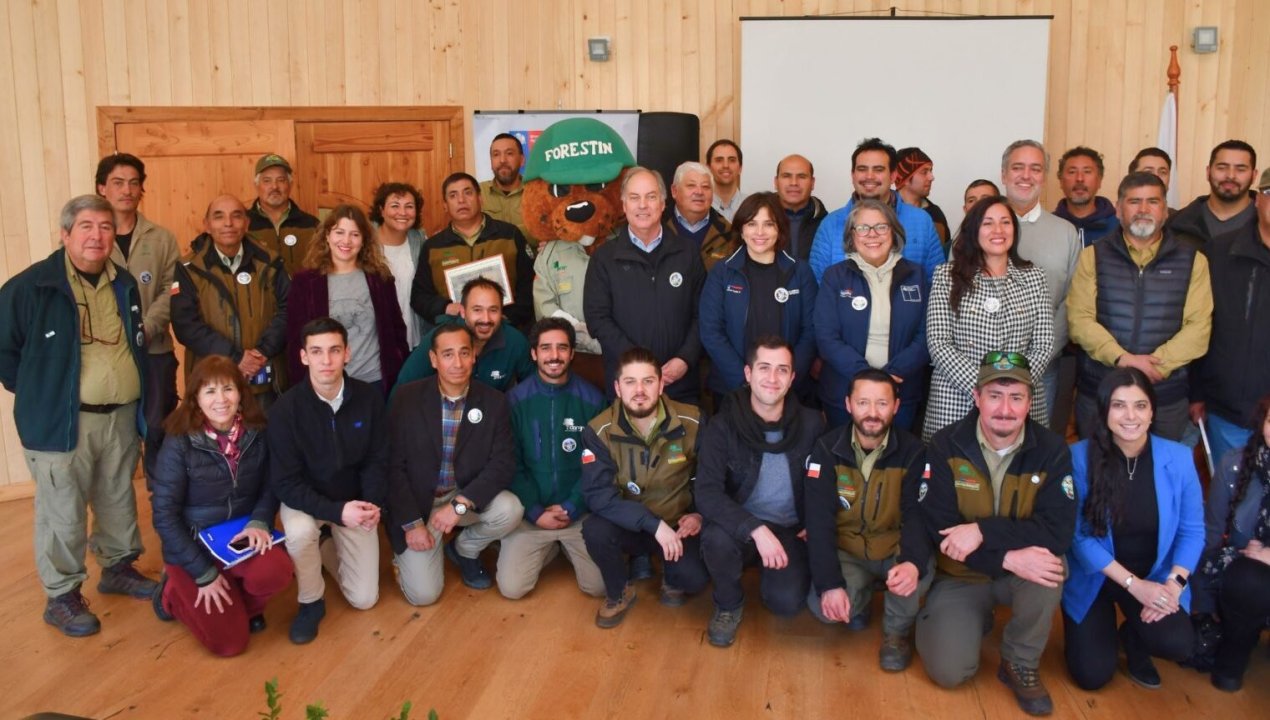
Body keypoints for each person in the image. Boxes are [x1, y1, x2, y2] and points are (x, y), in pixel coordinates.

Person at [0, 195, 157, 637]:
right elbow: (4, 352)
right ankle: (62, 595)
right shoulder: (31, 287)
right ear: (65, 234)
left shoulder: (123, 282)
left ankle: (118, 567)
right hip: (60, 421)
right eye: (86, 226)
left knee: (116, 494)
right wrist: (39, 390)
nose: (97, 235)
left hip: (120, 416)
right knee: (62, 509)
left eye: (105, 227)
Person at [915, 352, 1076, 716]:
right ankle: (965, 620)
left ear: (1030, 402)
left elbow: (1058, 531)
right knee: (949, 671)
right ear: (976, 398)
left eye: (1016, 397)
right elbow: (939, 527)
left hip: (1020, 573)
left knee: (1051, 567)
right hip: (961, 574)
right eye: (995, 396)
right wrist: (1003, 554)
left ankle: (1020, 659)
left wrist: (983, 530)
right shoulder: (945, 445)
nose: (1005, 409)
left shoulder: (1051, 450)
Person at [1061, 368, 1203, 690]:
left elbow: (1192, 531)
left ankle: (1133, 637)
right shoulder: (1078, 458)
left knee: (1179, 643)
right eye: (1119, 405)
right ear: (1104, 410)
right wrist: (1133, 586)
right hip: (1098, 576)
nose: (1130, 416)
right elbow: (1079, 537)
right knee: (1092, 675)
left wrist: (1173, 585)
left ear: (1152, 411)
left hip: (1155, 576)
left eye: (1140, 405)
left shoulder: (1179, 459)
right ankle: (1102, 631)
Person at [150, 355, 294, 657]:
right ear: (195, 398)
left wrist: (259, 521)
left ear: (241, 392)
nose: (221, 400)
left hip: (238, 537)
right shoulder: (178, 441)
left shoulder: (258, 430)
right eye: (210, 391)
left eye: (228, 389)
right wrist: (203, 573)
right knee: (230, 644)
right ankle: (172, 595)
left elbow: (271, 485)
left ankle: (240, 606)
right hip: (193, 546)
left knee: (278, 570)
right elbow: (164, 515)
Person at [696, 338, 824, 647]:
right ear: (748, 373)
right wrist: (754, 528)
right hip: (740, 523)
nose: (772, 378)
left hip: (789, 530)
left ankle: (769, 574)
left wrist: (815, 522)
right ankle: (728, 604)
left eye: (782, 370)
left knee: (786, 603)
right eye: (764, 368)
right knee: (715, 539)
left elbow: (824, 482)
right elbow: (707, 492)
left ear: (793, 378)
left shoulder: (811, 423)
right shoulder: (722, 425)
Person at [268, 318, 388, 643]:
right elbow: (286, 483)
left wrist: (372, 502)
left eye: (334, 350)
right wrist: (336, 513)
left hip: (353, 502)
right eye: (317, 352)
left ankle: (326, 546)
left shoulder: (368, 398)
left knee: (364, 600)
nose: (326, 360)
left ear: (347, 353)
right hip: (305, 501)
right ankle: (311, 601)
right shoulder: (284, 410)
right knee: (299, 532)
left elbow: (378, 459)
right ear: (303, 356)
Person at [1068, 172, 1211, 442]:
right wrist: (1123, 359)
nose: (1143, 209)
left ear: (1166, 210)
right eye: (1134, 201)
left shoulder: (1194, 261)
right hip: (1101, 393)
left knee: (1158, 480)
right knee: (1096, 477)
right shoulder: (1092, 256)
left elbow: (1199, 327)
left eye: (1152, 201)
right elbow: (1079, 320)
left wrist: (1155, 367)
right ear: (1119, 209)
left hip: (1165, 397)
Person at [386, 323, 522, 605]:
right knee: (424, 596)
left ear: (474, 356)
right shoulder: (406, 398)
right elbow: (391, 467)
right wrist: (412, 525)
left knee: (510, 509)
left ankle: (463, 547)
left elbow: (503, 463)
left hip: (460, 499)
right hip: (418, 504)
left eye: (464, 353)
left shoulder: (494, 402)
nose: (457, 363)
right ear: (434, 360)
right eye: (448, 354)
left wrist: (459, 504)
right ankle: (407, 553)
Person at [804, 369, 931, 671]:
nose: (872, 413)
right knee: (821, 608)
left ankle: (896, 632)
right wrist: (830, 584)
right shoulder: (826, 448)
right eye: (863, 403)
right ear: (848, 404)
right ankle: (856, 599)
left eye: (882, 404)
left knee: (919, 570)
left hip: (895, 548)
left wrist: (912, 561)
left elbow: (918, 516)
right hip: (849, 550)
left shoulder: (914, 452)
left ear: (896, 407)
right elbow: (818, 521)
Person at [580, 347, 709, 627]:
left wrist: (699, 513)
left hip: (677, 524)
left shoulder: (694, 421)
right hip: (631, 525)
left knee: (695, 580)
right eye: (630, 382)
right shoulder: (598, 431)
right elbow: (598, 496)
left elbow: (709, 478)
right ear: (617, 387)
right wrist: (652, 525)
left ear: (662, 384)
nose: (639, 390)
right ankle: (619, 591)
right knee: (594, 529)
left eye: (648, 381)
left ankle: (671, 574)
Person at [923, 197, 1053, 442]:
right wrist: (983, 389)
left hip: (1018, 401)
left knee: (1019, 474)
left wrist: (1013, 390)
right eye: (988, 223)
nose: (998, 230)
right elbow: (939, 343)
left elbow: (1044, 344)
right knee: (952, 474)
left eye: (1005, 222)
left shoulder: (1034, 277)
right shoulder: (947, 276)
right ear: (974, 231)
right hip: (957, 398)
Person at [497, 318, 607, 600]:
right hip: (532, 515)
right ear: (534, 354)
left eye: (562, 348)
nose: (554, 356)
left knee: (598, 587)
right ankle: (547, 547)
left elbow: (598, 464)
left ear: (572, 353)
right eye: (546, 348)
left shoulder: (594, 401)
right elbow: (511, 463)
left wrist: (573, 505)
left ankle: (564, 545)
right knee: (512, 589)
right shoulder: (514, 401)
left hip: (579, 514)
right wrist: (535, 512)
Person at [584, 167, 706, 404]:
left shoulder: (687, 253)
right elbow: (597, 319)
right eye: (634, 198)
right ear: (623, 205)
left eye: (651, 197)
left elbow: (704, 314)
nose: (643, 205)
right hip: (628, 384)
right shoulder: (604, 258)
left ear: (662, 203)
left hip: (680, 382)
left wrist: (685, 359)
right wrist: (639, 367)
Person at [95, 153, 181, 488]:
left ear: (142, 189)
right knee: (116, 434)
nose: (126, 190)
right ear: (103, 188)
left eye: (134, 182)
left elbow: (171, 289)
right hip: (108, 355)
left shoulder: (161, 238)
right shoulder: (91, 238)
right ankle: (115, 518)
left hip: (155, 350)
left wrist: (146, 327)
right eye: (118, 182)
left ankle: (163, 504)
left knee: (159, 428)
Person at [815, 199, 929, 430]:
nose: (872, 234)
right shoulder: (834, 276)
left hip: (901, 392)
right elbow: (826, 336)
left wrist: (893, 373)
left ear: (894, 231)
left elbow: (927, 334)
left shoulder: (916, 275)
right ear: (852, 236)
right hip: (844, 392)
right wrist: (865, 375)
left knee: (897, 461)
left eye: (881, 227)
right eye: (863, 228)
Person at [171, 195, 289, 408]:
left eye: (236, 216)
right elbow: (185, 325)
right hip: (212, 387)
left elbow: (289, 309)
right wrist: (236, 358)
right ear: (207, 225)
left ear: (247, 223)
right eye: (219, 217)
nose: (228, 223)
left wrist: (261, 353)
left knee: (266, 440)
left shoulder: (270, 261)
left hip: (264, 384)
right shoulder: (188, 268)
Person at [699, 192, 817, 402]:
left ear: (779, 228)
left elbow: (811, 332)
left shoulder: (800, 272)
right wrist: (745, 380)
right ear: (741, 230)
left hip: (789, 392)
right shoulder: (722, 272)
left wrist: (785, 379)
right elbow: (711, 331)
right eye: (752, 224)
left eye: (769, 224)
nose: (760, 232)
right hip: (732, 389)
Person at [1000, 140, 1081, 434]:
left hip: (1041, 368)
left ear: (1045, 177)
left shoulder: (1065, 233)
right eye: (1017, 168)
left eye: (1035, 169)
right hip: (981, 368)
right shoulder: (975, 226)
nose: (1026, 176)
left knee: (1030, 450)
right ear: (1003, 174)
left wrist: (1038, 355)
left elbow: (1072, 300)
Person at [285, 204, 409, 393]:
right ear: (327, 236)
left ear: (364, 240)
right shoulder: (305, 282)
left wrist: (398, 371)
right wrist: (301, 388)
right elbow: (295, 339)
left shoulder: (380, 279)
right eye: (339, 232)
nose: (346, 241)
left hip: (375, 383)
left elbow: (397, 331)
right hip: (325, 385)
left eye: (355, 234)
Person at [1191, 169, 1270, 462]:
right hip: (1227, 412)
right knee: (1230, 501)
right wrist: (1196, 392)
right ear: (1256, 199)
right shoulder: (1219, 251)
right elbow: (1200, 324)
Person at [1195, 393, 1270, 692]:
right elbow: (1212, 533)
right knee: (1247, 577)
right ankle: (1232, 656)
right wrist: (1202, 606)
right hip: (1245, 574)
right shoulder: (1235, 464)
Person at [809, 137, 944, 284]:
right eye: (862, 169)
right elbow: (816, 285)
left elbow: (937, 284)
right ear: (852, 175)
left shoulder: (922, 221)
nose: (869, 176)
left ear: (893, 175)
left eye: (878, 169)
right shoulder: (830, 225)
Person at [411, 171, 535, 330]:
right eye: (453, 195)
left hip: (507, 330)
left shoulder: (510, 235)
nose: (461, 200)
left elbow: (529, 286)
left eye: (467, 193)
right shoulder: (433, 246)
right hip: (454, 336)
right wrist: (446, 308)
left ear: (480, 198)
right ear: (445, 205)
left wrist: (508, 317)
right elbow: (419, 297)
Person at [395, 277, 533, 393]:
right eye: (477, 310)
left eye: (493, 310)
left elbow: (535, 385)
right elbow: (403, 388)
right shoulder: (440, 338)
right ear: (462, 311)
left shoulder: (515, 341)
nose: (486, 319)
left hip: (493, 418)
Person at [370, 181, 428, 348]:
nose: (402, 212)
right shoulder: (363, 242)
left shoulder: (421, 241)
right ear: (381, 210)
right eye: (395, 205)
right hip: (376, 339)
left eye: (409, 206)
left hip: (415, 336)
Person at [1169, 140, 1259, 244]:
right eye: (1222, 168)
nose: (1230, 175)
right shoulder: (1176, 224)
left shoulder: (1265, 222)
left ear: (1254, 175)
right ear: (1208, 172)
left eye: (1240, 169)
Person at [246, 153, 320, 276]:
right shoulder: (243, 225)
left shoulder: (311, 225)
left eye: (281, 180)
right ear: (257, 185)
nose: (274, 186)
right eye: (267, 181)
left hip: (301, 295)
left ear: (290, 184)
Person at [665, 161, 736, 271]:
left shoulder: (728, 233)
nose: (699, 192)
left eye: (705, 187)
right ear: (674, 191)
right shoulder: (656, 227)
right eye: (691, 185)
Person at [1053, 146, 1120, 247]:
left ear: (1099, 180)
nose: (1080, 178)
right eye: (1072, 172)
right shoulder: (1048, 226)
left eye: (1087, 171)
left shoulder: (1119, 227)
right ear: (1061, 181)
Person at [481, 133, 537, 245]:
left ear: (522, 160)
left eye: (509, 153)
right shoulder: (477, 192)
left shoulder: (538, 193)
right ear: (491, 162)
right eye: (496, 154)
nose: (502, 160)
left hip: (531, 261)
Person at [773, 154, 829, 260]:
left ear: (812, 183)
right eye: (786, 176)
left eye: (802, 176)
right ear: (776, 182)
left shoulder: (827, 224)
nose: (794, 183)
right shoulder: (755, 221)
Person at [894, 147, 950, 250]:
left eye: (930, 171)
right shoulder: (884, 212)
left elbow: (942, 260)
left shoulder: (936, 215)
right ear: (904, 179)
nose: (931, 177)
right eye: (924, 172)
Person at [707, 139, 747, 221]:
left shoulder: (752, 206)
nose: (726, 165)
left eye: (732, 160)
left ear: (740, 168)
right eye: (719, 160)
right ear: (708, 168)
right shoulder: (699, 205)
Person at [1128, 147, 1175, 214]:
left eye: (1163, 172)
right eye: (1148, 172)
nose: (1156, 177)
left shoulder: (1180, 220)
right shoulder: (1114, 220)